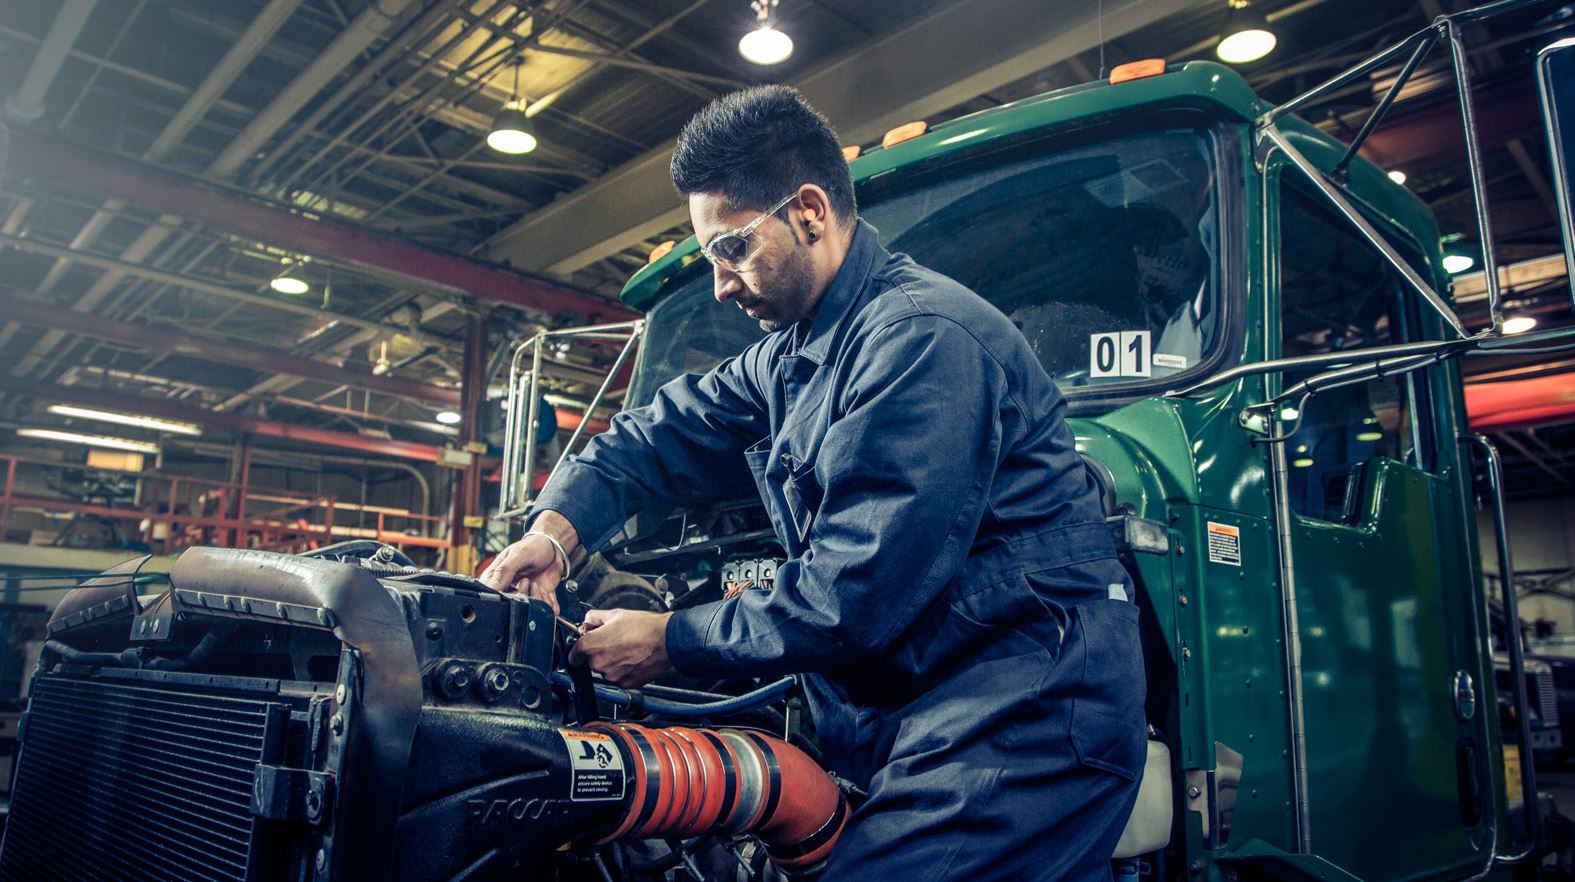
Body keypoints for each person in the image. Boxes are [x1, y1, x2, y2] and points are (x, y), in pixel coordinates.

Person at [481, 85, 1145, 881]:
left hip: (1025, 704)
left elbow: (852, 593)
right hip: (915, 704)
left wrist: (672, 641)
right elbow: (659, 432)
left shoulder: (917, 338)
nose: (722, 284)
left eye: (731, 249)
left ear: (807, 211)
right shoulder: (796, 350)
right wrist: (554, 531)